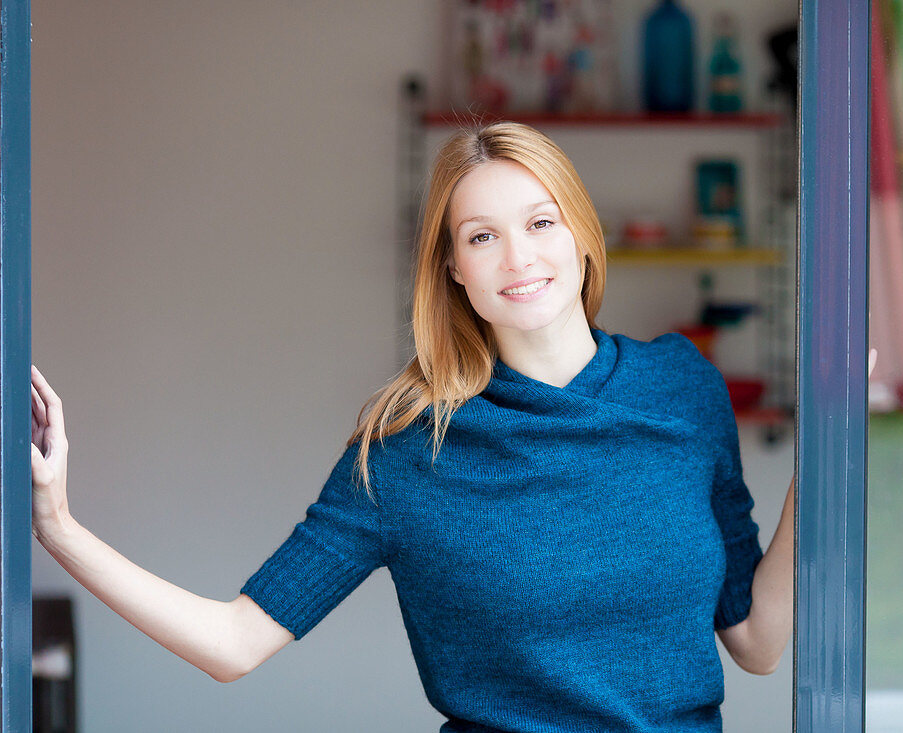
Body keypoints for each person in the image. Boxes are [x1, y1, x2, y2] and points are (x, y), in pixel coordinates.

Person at [30, 121, 794, 731]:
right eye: (482, 236)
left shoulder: (681, 387)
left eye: (539, 221)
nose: (519, 255)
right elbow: (234, 643)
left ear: (582, 234)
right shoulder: (406, 450)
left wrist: (823, 459)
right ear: (454, 267)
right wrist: (59, 525)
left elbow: (756, 640)